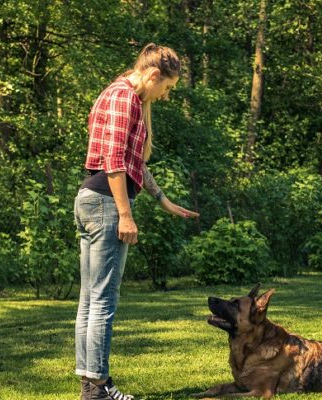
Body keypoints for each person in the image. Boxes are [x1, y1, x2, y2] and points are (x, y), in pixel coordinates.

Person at [73, 43, 199, 400]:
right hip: (105, 204)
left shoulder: (127, 97)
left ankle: (90, 385)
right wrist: (125, 215)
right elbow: (113, 161)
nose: (165, 96)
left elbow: (134, 163)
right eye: (168, 88)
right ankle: (99, 386)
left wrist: (163, 200)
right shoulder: (123, 97)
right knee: (103, 302)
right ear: (154, 74)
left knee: (90, 300)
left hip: (97, 201)